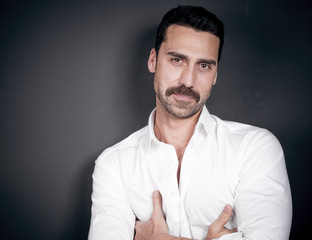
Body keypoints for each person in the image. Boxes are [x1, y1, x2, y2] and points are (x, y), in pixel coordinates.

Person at [88, 5, 292, 240]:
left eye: (204, 65)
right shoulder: (114, 165)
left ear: (215, 74)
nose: (188, 80)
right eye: (177, 60)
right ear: (153, 60)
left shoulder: (254, 148)